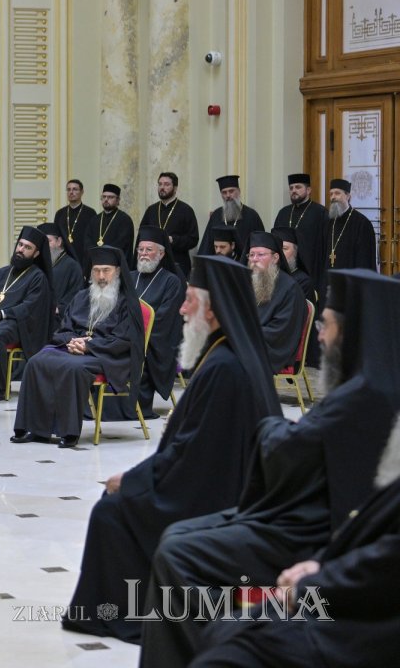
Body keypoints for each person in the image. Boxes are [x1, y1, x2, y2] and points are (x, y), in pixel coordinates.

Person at [141, 269, 400, 665]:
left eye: (326, 325)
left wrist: (270, 428)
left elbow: (290, 451)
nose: (318, 335)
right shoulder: (372, 385)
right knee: (178, 538)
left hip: (308, 531)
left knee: (178, 551)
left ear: (351, 334)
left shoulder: (360, 394)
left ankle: (198, 652)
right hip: (311, 521)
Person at [61, 255, 280, 643]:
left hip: (211, 498)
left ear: (213, 310)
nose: (180, 308)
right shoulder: (225, 354)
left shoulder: (225, 367)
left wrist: (132, 481)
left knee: (112, 511)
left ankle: (123, 616)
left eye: (190, 300)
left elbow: (192, 459)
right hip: (209, 483)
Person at [190, 417, 400, 668]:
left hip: (368, 628)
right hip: (345, 584)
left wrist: (313, 583)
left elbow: (386, 563)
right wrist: (319, 564)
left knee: (181, 556)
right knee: (227, 627)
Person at [10, 246, 143, 449]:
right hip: (74, 349)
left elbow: (125, 340)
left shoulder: (127, 303)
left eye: (106, 270)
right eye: (96, 270)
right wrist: (73, 341)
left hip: (108, 356)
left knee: (73, 368)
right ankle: (35, 429)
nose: (100, 276)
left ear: (117, 271)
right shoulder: (82, 297)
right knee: (36, 362)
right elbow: (63, 329)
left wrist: (90, 346)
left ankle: (68, 432)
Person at [0, 226, 54, 396]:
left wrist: (1, 314)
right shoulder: (1, 273)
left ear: (36, 254)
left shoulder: (37, 277)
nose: (21, 250)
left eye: (27, 248)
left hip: (19, 324)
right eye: (20, 245)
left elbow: (30, 307)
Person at [128, 226, 185, 419]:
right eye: (141, 249)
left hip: (154, 340)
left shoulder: (172, 281)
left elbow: (164, 319)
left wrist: (134, 334)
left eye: (149, 250)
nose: (143, 254)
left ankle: (132, 407)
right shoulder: (130, 277)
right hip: (125, 336)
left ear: (161, 253)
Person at [247, 231, 307, 373]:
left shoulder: (290, 288)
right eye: (251, 255)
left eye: (261, 255)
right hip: (251, 339)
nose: (254, 259)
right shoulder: (248, 282)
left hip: (275, 347)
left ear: (275, 258)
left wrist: (245, 333)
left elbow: (282, 330)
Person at [272, 173, 326, 306]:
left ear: (308, 190)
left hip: (311, 271)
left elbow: (323, 246)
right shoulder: (283, 213)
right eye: (291, 188)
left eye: (298, 187)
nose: (294, 190)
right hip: (285, 271)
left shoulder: (320, 213)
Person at [139, 172, 199, 277]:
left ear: (175, 188)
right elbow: (141, 234)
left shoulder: (186, 210)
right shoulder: (151, 210)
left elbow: (193, 239)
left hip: (177, 264)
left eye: (166, 184)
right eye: (160, 184)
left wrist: (173, 240)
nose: (162, 187)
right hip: (152, 265)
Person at [197, 175, 264, 260]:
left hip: (244, 266)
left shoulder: (251, 215)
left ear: (239, 191)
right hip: (219, 265)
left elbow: (261, 246)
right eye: (224, 192)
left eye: (231, 191)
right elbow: (206, 245)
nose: (228, 195)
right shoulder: (216, 215)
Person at [78, 184, 135, 275]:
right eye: (104, 197)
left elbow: (122, 244)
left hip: (115, 267)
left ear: (118, 200)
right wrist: (95, 255)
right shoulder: (95, 219)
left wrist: (103, 255)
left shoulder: (125, 220)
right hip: (95, 264)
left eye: (110, 197)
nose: (106, 199)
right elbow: (87, 241)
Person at [326, 177, 376, 270]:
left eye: (337, 193)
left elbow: (364, 260)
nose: (333, 197)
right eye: (331, 194)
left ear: (348, 196)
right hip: (330, 279)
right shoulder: (329, 222)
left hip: (351, 281)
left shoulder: (362, 224)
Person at [38, 222, 83, 317]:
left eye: (48, 241)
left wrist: (58, 309)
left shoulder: (72, 266)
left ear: (59, 241)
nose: (44, 246)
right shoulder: (38, 264)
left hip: (60, 319)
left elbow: (76, 296)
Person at [53, 179, 96, 272]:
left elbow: (92, 239)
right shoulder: (60, 214)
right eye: (68, 189)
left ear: (82, 192)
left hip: (83, 258)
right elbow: (56, 237)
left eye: (75, 189)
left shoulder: (90, 213)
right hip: (64, 259)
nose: (71, 192)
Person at [272, 225, 316, 302]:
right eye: (276, 248)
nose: (280, 253)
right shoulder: (267, 276)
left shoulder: (303, 281)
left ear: (296, 252)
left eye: (284, 248)